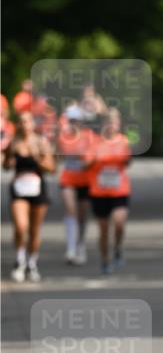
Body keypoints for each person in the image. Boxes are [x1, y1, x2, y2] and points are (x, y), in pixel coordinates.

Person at [4, 110, 55, 282]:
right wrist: (9, 159)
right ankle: (20, 261)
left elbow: (51, 168)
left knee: (34, 230)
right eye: (21, 121)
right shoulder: (14, 142)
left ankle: (32, 263)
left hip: (37, 189)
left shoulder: (41, 142)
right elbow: (6, 166)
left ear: (33, 124)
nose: (24, 124)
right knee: (21, 226)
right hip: (19, 189)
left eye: (27, 121)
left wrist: (37, 158)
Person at [85, 108, 131, 275]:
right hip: (99, 192)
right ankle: (105, 260)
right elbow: (85, 164)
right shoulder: (95, 142)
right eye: (109, 122)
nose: (112, 125)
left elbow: (127, 162)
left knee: (119, 222)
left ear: (118, 124)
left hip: (119, 190)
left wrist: (124, 157)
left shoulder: (123, 141)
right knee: (104, 230)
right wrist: (94, 159)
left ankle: (117, 247)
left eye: (115, 122)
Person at [57, 109, 95, 264]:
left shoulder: (89, 135)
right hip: (68, 179)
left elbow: (91, 158)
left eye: (75, 120)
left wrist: (86, 159)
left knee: (82, 215)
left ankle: (80, 244)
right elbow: (59, 156)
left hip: (85, 180)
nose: (73, 123)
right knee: (70, 209)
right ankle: (70, 248)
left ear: (81, 121)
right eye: (70, 120)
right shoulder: (63, 136)